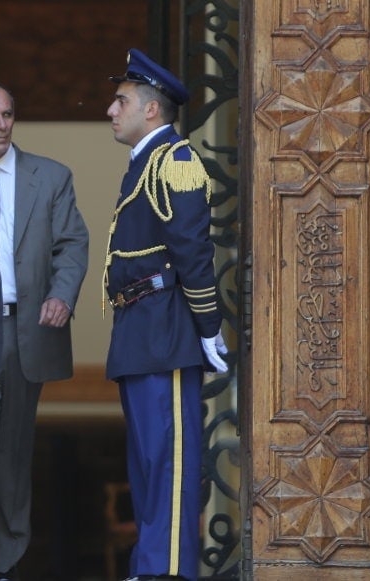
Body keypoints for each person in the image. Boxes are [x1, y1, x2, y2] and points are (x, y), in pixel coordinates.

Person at [0, 81, 89, 581]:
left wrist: (61, 294)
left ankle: (3, 558)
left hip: (18, 327)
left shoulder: (50, 177)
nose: (1, 125)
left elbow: (72, 244)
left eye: (8, 115)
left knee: (10, 445)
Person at [101, 48, 229, 581]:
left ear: (151, 110)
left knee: (171, 462)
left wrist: (208, 326)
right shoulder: (145, 164)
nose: (111, 109)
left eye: (121, 100)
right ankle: (150, 566)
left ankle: (167, 572)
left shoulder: (174, 160)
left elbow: (192, 251)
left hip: (168, 329)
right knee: (149, 461)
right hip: (141, 330)